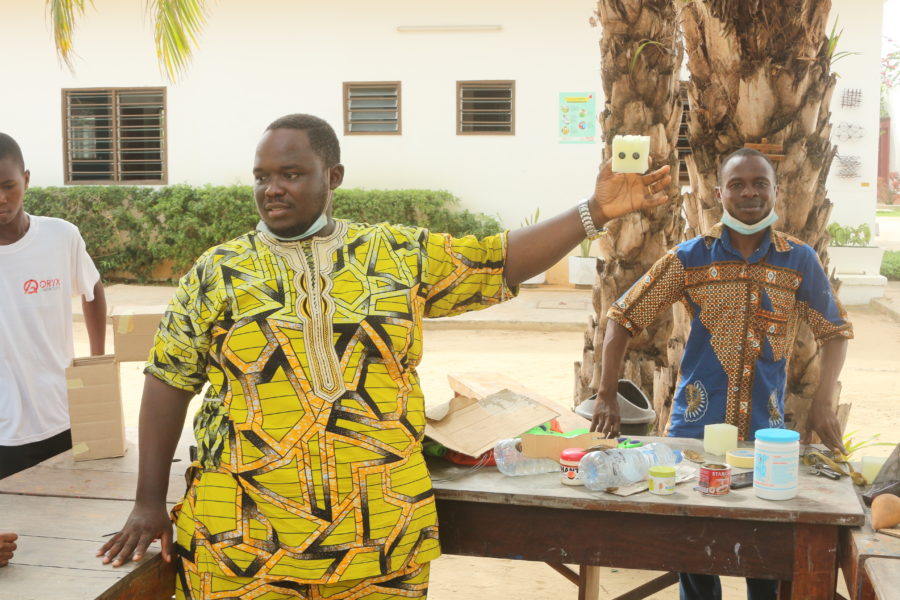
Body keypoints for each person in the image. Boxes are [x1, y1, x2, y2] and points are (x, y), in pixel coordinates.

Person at [97, 113, 672, 599]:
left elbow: (498, 260)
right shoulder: (217, 273)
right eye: (262, 177)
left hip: (379, 542)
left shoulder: (391, 255)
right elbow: (167, 382)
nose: (272, 188)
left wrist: (594, 211)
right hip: (244, 546)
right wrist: (149, 501)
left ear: (334, 176)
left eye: (291, 174)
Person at [590, 147, 853, 600]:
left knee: (764, 557)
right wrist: (605, 393)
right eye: (737, 184)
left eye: (759, 184)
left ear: (776, 191)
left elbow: (836, 331)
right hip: (694, 436)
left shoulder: (798, 261)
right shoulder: (691, 257)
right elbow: (622, 315)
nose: (748, 192)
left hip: (764, 438)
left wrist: (824, 402)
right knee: (694, 556)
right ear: (718, 193)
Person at [0, 132, 107, 480]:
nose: (1, 198)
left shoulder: (61, 236)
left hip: (65, 416)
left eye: (9, 185)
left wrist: (95, 360)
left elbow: (92, 288)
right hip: (5, 433)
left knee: (67, 520)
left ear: (26, 180)